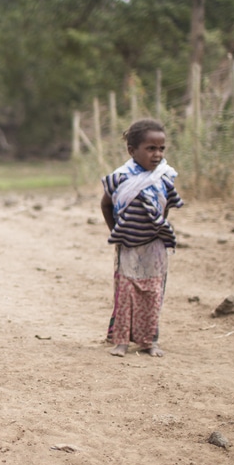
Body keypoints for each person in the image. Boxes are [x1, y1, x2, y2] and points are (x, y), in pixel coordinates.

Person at [100, 118, 184, 358]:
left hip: (155, 246)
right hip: (128, 245)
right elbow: (106, 204)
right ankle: (121, 341)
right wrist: (117, 232)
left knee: (154, 292)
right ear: (132, 151)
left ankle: (149, 341)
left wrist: (157, 228)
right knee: (126, 292)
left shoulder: (164, 176)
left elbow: (165, 207)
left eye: (161, 149)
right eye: (150, 148)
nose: (157, 154)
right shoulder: (121, 177)